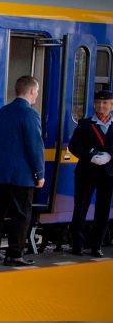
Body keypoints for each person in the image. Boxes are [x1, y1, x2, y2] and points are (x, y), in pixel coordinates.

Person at [0, 75, 44, 267]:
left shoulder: (3, 112)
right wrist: (39, 173)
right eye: (37, 92)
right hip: (21, 175)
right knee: (21, 214)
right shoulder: (30, 114)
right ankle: (15, 254)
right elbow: (34, 146)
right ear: (32, 91)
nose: (36, 96)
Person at [68, 89, 113, 257]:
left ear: (111, 105)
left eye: (105, 103)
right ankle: (77, 245)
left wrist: (110, 155)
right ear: (94, 104)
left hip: (108, 174)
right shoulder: (85, 124)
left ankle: (97, 246)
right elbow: (73, 146)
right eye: (98, 103)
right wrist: (90, 157)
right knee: (81, 208)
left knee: (103, 210)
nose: (101, 106)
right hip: (86, 172)